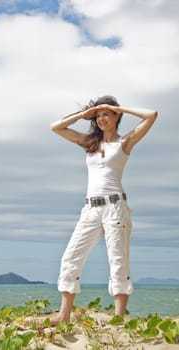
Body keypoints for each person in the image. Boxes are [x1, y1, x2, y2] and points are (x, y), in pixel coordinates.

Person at [50, 95, 157, 325]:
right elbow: (56, 127)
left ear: (116, 116)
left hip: (115, 208)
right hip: (90, 209)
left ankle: (118, 319)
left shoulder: (124, 142)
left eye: (105, 114)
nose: (101, 118)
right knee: (71, 257)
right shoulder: (90, 143)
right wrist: (84, 114)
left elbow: (151, 115)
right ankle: (64, 315)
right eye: (98, 115)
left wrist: (118, 107)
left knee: (118, 261)